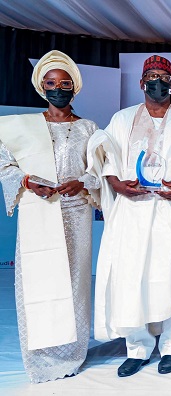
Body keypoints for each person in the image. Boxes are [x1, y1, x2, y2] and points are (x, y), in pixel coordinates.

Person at [88, 55, 171, 377]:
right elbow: (107, 155)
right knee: (131, 277)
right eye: (152, 76)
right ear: (141, 83)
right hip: (133, 211)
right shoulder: (123, 118)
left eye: (164, 76)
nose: (158, 82)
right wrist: (116, 184)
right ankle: (137, 348)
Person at [0, 50, 100, 383]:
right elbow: (5, 164)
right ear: (42, 87)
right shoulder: (25, 128)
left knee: (74, 282)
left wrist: (82, 182)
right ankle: (42, 356)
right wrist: (27, 181)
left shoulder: (88, 128)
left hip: (76, 212)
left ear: (75, 87)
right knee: (39, 281)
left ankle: (73, 352)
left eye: (65, 82)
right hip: (39, 212)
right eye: (51, 83)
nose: (58, 88)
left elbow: (98, 171)